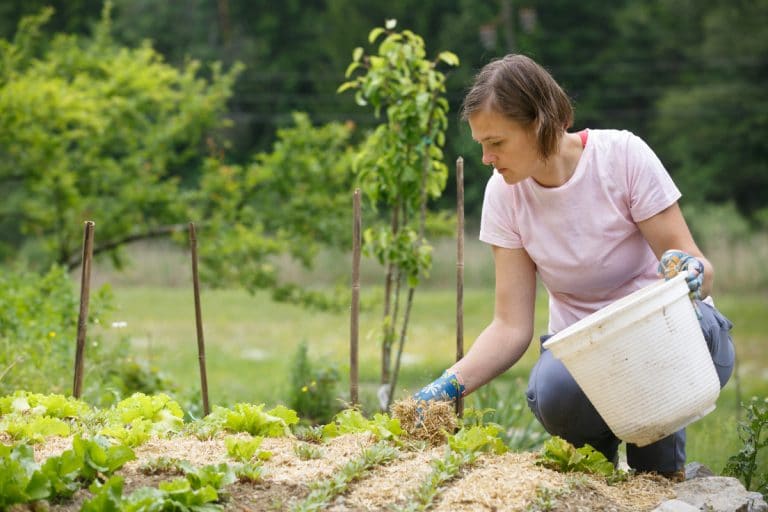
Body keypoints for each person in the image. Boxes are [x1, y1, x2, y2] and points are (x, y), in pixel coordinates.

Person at [413, 54, 735, 478]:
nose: (486, 158)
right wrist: (445, 386)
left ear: (539, 124)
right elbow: (510, 327)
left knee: (654, 477)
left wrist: (689, 273)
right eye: (481, 145)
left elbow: (701, 270)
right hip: (586, 355)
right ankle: (598, 474)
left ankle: (659, 471)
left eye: (497, 143)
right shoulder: (504, 195)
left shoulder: (621, 157)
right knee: (553, 392)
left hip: (666, 340)